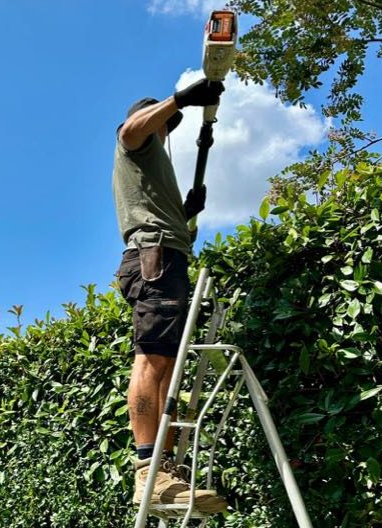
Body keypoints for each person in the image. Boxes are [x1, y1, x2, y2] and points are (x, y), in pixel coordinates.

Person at [112, 78, 227, 512]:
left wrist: (185, 212)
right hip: (153, 257)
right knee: (153, 360)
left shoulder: (153, 162)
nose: (166, 130)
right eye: (164, 123)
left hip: (167, 255)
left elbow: (156, 209)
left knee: (169, 370)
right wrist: (181, 99)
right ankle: (147, 470)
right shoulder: (134, 142)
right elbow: (130, 130)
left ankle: (164, 472)